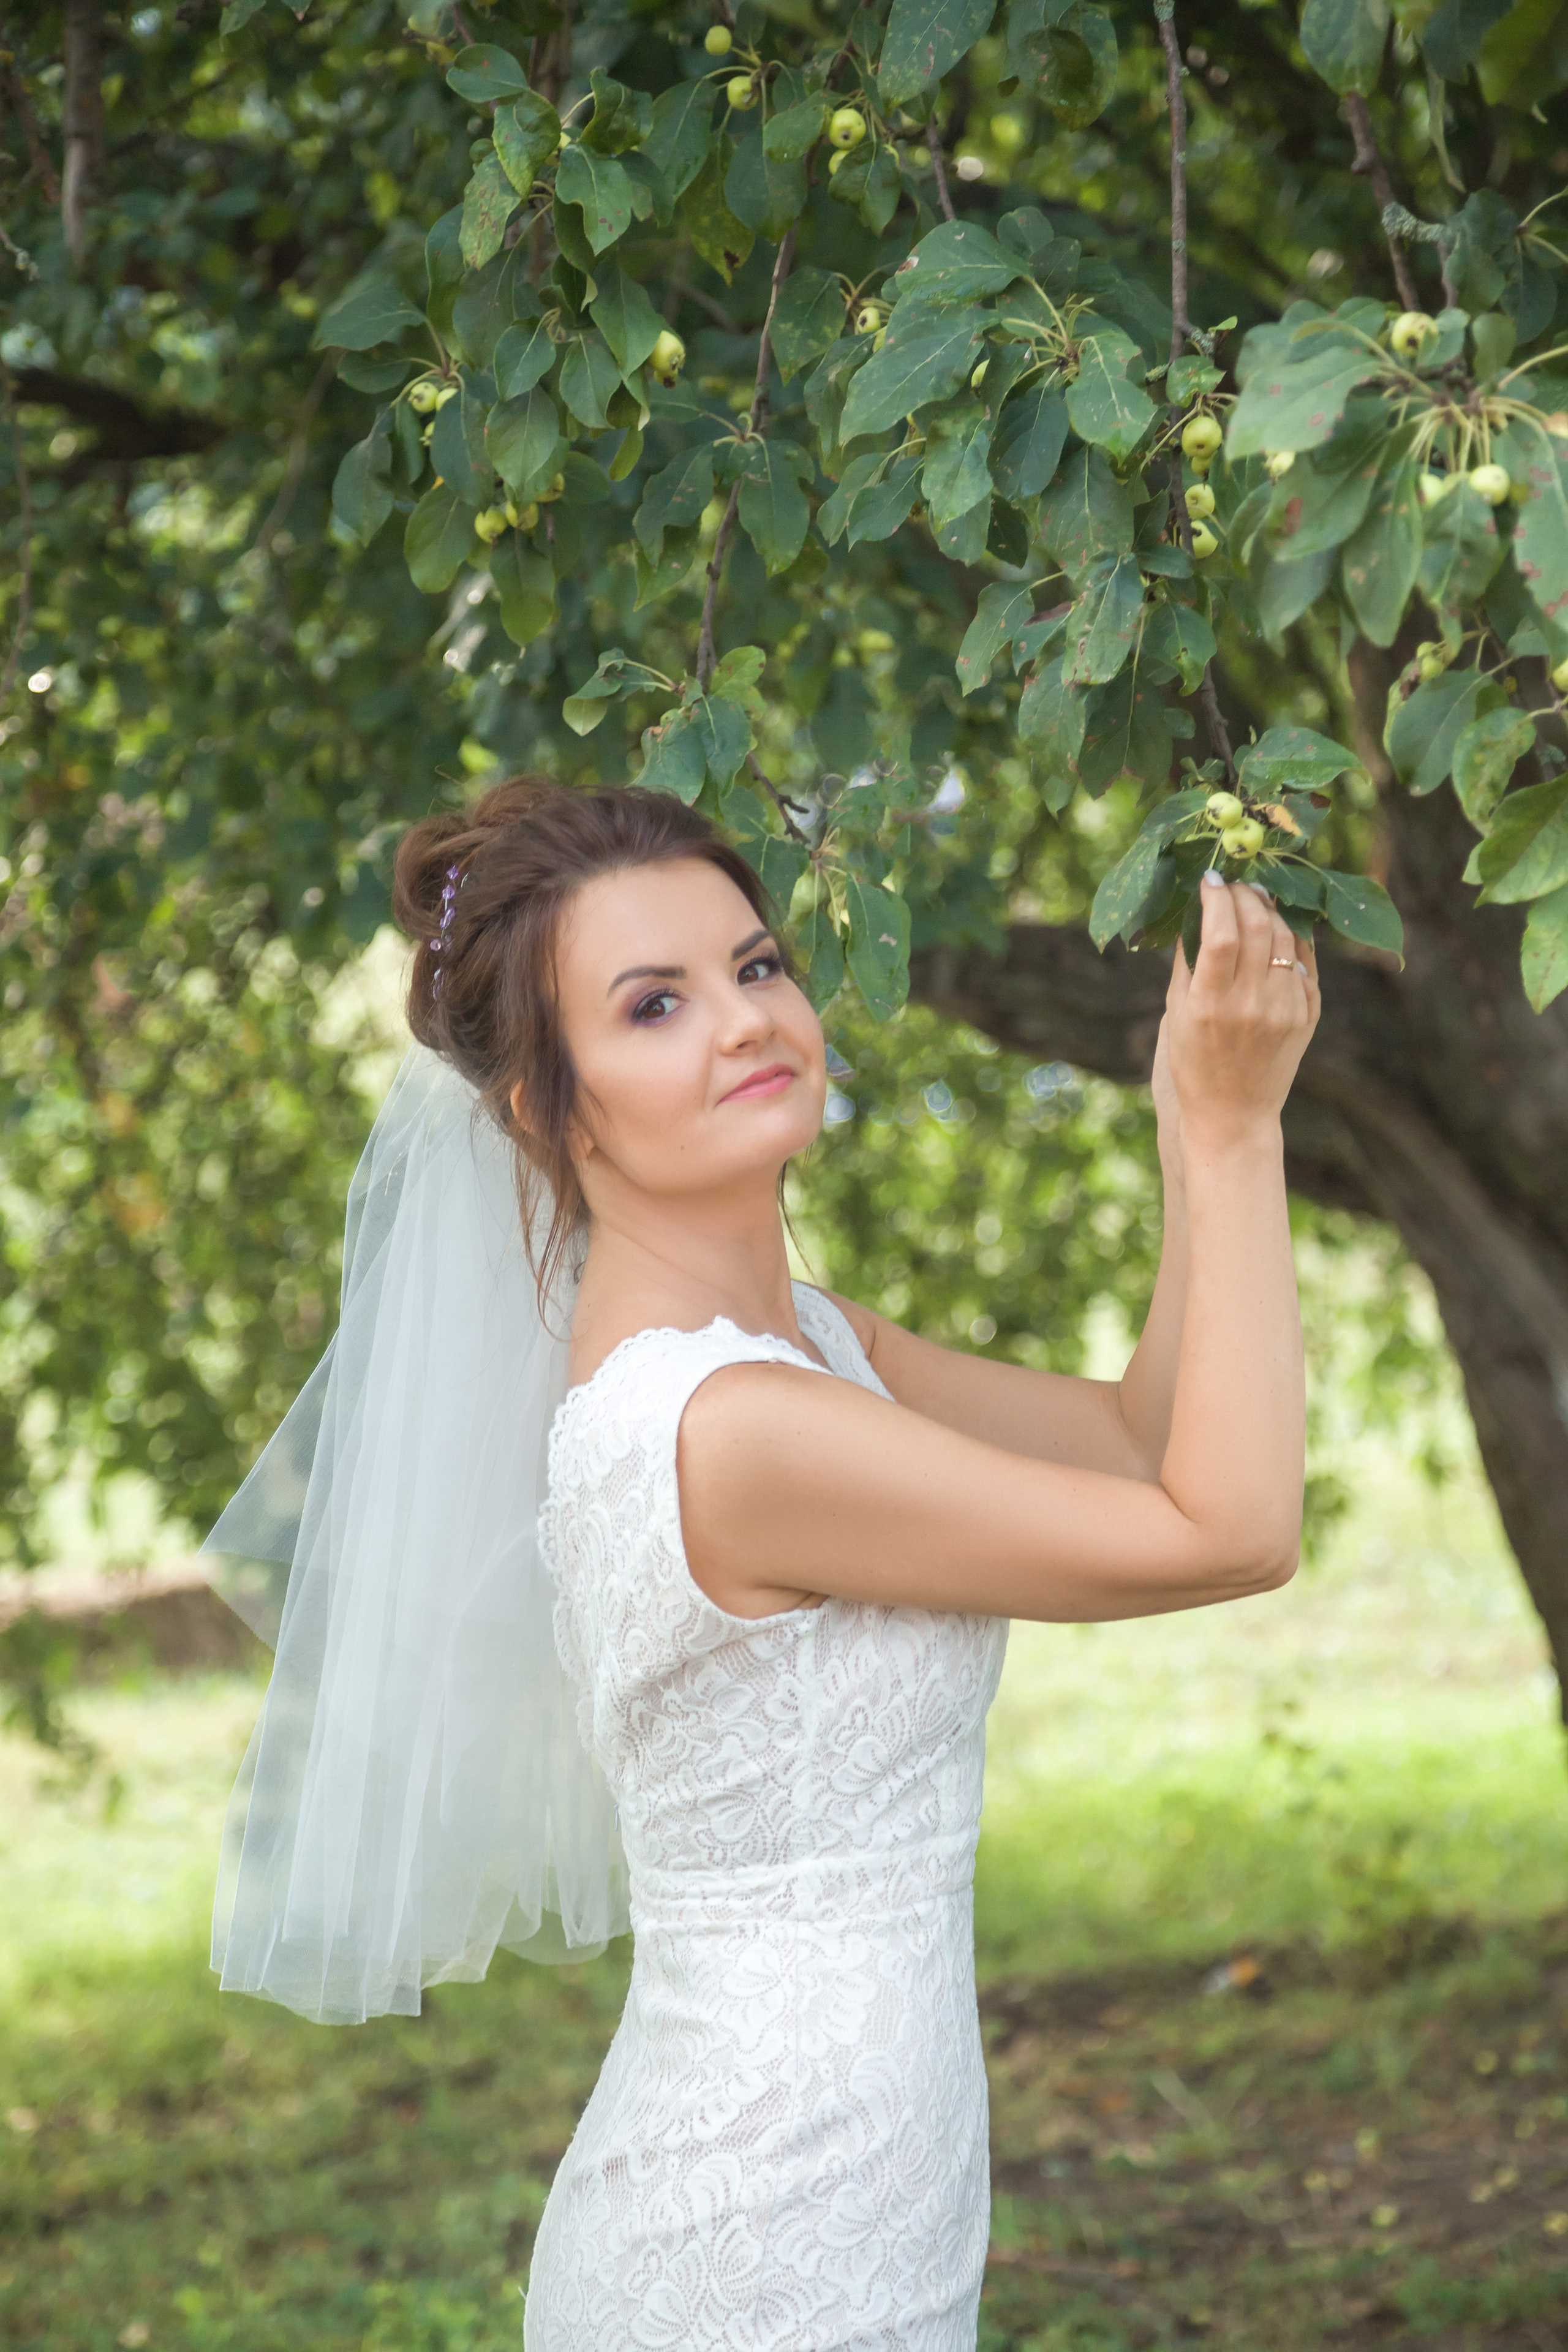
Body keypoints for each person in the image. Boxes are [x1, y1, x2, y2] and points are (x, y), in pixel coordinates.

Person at [206, 775, 1317, 2352]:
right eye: (652, 1004)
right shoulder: (726, 1427)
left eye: (756, 964)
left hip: (859, 2212)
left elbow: (1149, 1443)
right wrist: (1231, 1127)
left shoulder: (803, 1346)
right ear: (546, 1104)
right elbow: (1228, 1529)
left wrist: (1177, 1113)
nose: (742, 1020)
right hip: (755, 2255)